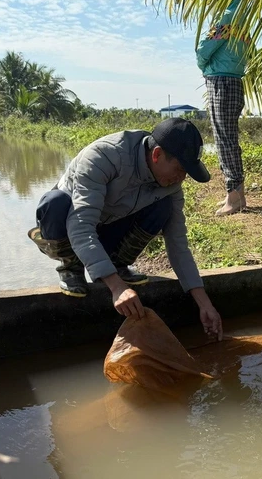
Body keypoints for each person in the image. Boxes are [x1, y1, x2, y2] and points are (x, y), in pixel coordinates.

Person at [28, 117, 223, 340]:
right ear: (157, 154)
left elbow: (178, 243)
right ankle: (70, 267)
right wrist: (116, 287)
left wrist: (204, 303)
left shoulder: (171, 186)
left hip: (107, 228)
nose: (182, 178)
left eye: (186, 173)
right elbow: (81, 226)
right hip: (67, 229)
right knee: (55, 202)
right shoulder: (104, 157)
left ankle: (117, 263)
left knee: (163, 207)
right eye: (179, 169)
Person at [196, 0, 250, 216]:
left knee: (224, 140)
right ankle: (237, 195)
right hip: (234, 80)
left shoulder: (227, 17)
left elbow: (203, 49)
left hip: (222, 82)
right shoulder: (245, 17)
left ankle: (234, 197)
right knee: (228, 139)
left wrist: (202, 63)